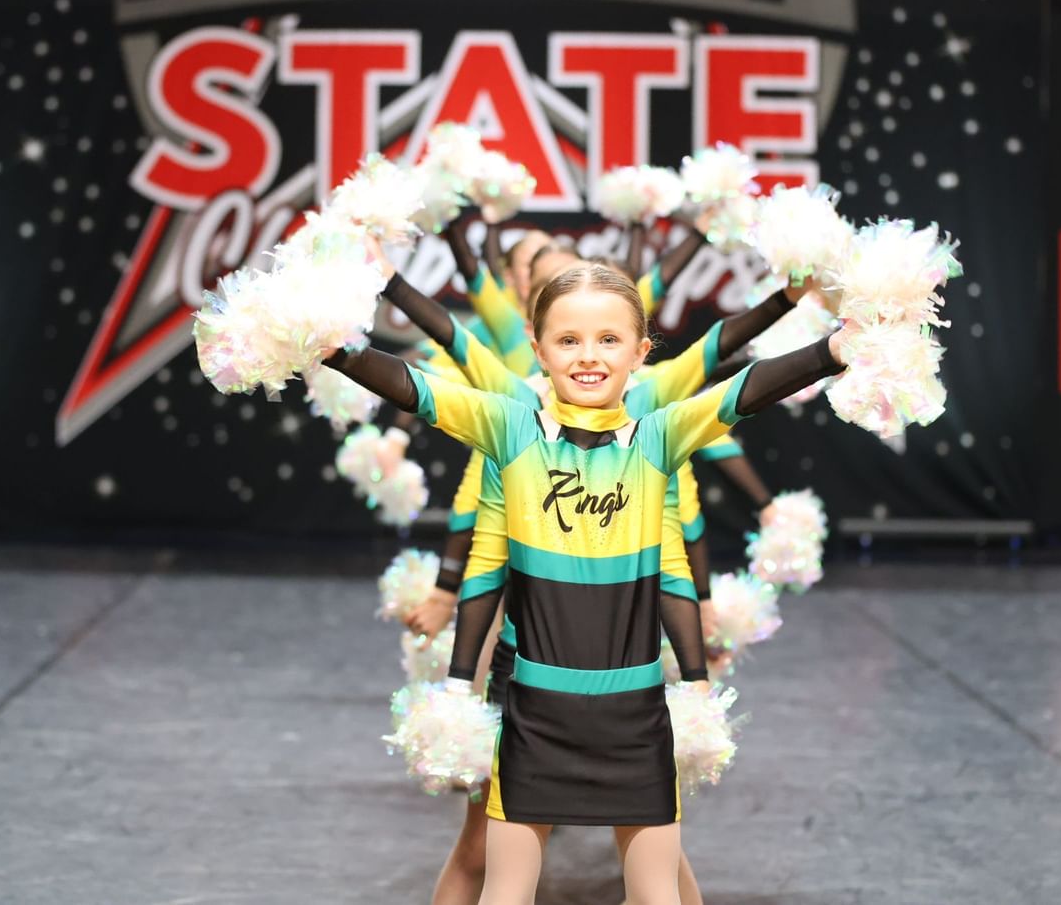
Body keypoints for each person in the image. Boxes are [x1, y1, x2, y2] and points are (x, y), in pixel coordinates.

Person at [327, 263, 844, 904]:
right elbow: (416, 388)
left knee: (659, 895)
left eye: (608, 340)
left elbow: (744, 389)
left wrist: (832, 351)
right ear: (538, 350)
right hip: (535, 718)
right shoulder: (511, 428)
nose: (589, 356)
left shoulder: (660, 437)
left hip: (636, 719)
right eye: (568, 340)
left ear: (640, 352)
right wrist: (329, 348)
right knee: (505, 891)